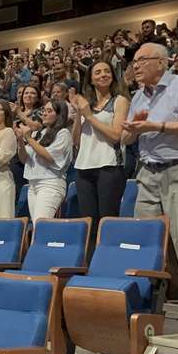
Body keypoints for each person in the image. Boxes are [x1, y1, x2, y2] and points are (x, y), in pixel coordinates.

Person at [121, 42, 178, 312]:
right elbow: (127, 138)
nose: (135, 66)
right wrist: (135, 128)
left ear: (161, 63)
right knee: (145, 235)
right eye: (134, 62)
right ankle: (150, 292)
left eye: (142, 60)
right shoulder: (138, 96)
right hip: (148, 173)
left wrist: (157, 125)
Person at [70, 60, 129, 248]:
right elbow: (76, 141)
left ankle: (110, 260)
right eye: (98, 72)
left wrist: (89, 116)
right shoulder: (87, 104)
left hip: (109, 166)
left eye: (107, 71)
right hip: (84, 167)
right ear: (91, 79)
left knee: (108, 220)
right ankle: (91, 263)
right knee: (89, 223)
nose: (103, 75)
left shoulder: (119, 101)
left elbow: (115, 136)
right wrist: (79, 115)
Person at [16, 100, 73, 220]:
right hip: (33, 184)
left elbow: (49, 157)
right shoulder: (39, 133)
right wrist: (21, 140)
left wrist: (28, 138)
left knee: (40, 223)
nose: (44, 114)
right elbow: (24, 159)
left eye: (49, 111)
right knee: (38, 224)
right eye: (44, 111)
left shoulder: (63, 133)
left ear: (59, 115)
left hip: (50, 183)